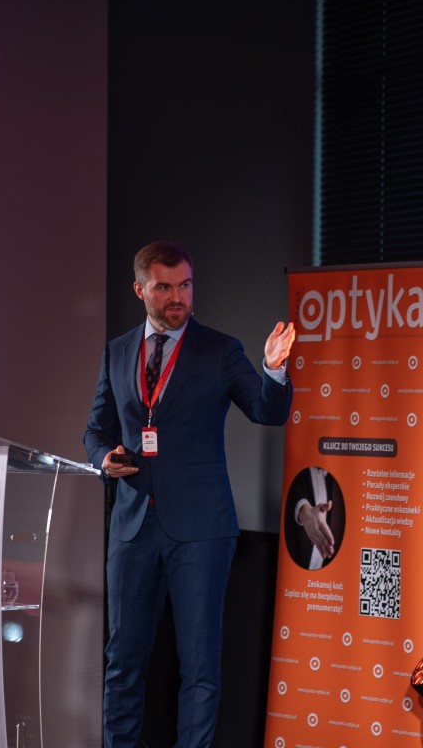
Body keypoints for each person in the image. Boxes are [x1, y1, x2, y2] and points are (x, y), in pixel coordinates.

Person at [84, 241, 295, 748]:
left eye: (185, 285)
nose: (178, 296)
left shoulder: (219, 349)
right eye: (164, 287)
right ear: (140, 290)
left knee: (199, 667)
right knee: (122, 663)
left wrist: (274, 370)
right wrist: (104, 459)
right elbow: (96, 430)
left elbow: (266, 411)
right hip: (132, 527)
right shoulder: (117, 351)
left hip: (202, 531)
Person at [283, 465, 346, 570]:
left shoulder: (330, 478)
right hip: (294, 567)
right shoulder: (298, 470)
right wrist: (303, 511)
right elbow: (291, 495)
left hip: (319, 568)